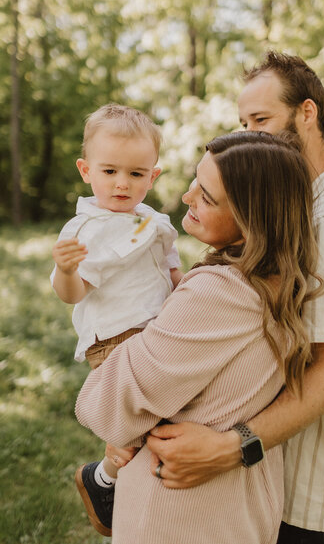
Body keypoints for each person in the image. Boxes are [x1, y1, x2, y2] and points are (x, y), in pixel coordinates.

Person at [143, 51, 324, 544]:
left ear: (307, 113)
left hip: (310, 489)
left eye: (261, 120)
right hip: (275, 475)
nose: (251, 135)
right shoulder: (301, 208)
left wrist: (232, 448)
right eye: (243, 122)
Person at [75, 130, 324, 544]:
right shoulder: (286, 285)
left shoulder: (217, 293)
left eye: (207, 197)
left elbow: (104, 407)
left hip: (178, 515)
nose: (188, 198)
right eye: (196, 180)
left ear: (250, 224)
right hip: (242, 508)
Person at [51, 103, 182, 536]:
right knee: (142, 425)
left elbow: (174, 275)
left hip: (158, 330)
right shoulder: (83, 230)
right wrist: (66, 271)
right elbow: (73, 294)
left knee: (166, 417)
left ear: (153, 175)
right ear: (86, 170)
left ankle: (129, 483)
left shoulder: (158, 222)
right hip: (113, 339)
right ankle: (103, 477)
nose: (122, 184)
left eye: (136, 174)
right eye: (109, 172)